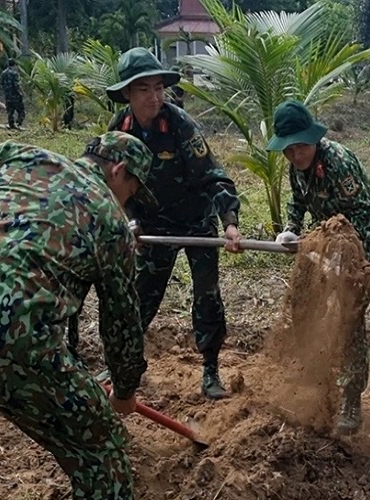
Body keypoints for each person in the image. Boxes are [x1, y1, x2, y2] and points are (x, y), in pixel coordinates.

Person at [0, 131, 155, 499]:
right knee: (101, 451)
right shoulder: (112, 224)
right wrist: (124, 391)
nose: (127, 203)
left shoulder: (21, 156)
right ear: (118, 171)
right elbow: (121, 326)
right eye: (132, 192)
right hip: (17, 344)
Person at [104, 47, 243, 400]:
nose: (154, 97)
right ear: (127, 94)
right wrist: (129, 223)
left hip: (196, 224)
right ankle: (125, 365)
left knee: (207, 298)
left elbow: (214, 177)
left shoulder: (180, 125)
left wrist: (228, 222)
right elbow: (112, 186)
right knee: (140, 300)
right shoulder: (119, 130)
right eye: (143, 90)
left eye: (158, 88)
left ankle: (211, 370)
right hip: (152, 229)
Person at [267, 99, 370, 434]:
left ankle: (350, 397)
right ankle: (314, 373)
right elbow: (298, 200)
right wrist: (290, 228)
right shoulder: (296, 167)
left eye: (301, 147)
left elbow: (361, 214)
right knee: (304, 303)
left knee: (348, 319)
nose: (296, 156)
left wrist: (346, 255)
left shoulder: (338, 164)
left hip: (355, 249)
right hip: (323, 244)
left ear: (313, 139)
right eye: (289, 150)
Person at [0, 58, 25, 130]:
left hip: (8, 96)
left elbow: (1, 84)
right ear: (14, 65)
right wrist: (22, 93)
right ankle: (18, 124)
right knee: (21, 111)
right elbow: (17, 85)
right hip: (16, 96)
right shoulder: (15, 73)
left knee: (10, 112)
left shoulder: (3, 73)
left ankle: (11, 125)